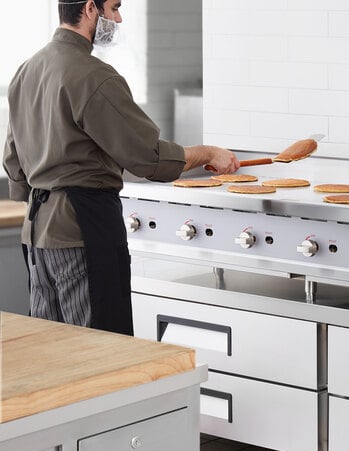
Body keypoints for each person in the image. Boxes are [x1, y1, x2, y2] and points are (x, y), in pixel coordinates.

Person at [2, 0, 239, 335]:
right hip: (83, 227)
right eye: (113, 8)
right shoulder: (93, 75)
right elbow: (148, 157)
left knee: (50, 348)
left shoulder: (26, 70)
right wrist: (208, 152)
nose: (118, 18)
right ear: (89, 9)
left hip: (36, 233)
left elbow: (13, 162)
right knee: (99, 349)